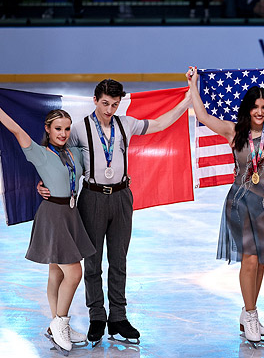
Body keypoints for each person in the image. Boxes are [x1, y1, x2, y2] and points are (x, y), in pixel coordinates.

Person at [38, 79, 191, 345]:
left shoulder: (126, 123)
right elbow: (55, 152)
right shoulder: (80, 129)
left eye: (115, 104)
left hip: (121, 197)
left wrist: (189, 99)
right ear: (95, 100)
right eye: (105, 103)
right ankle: (98, 316)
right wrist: (42, 182)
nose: (109, 110)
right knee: (93, 262)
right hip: (93, 198)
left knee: (119, 260)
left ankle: (118, 317)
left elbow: (160, 124)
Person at [186, 67, 264, 346]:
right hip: (241, 203)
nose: (260, 112)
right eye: (255, 107)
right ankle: (252, 313)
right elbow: (204, 116)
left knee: (262, 262)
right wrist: (193, 84)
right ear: (247, 109)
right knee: (250, 259)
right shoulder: (234, 131)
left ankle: (247, 312)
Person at [0, 107, 96, 354]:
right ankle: (61, 321)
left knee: (56, 273)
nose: (63, 134)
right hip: (53, 215)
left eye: (66, 129)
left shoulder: (75, 152)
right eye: (57, 129)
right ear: (47, 129)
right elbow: (15, 129)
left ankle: (56, 326)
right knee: (74, 273)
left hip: (72, 214)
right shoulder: (39, 153)